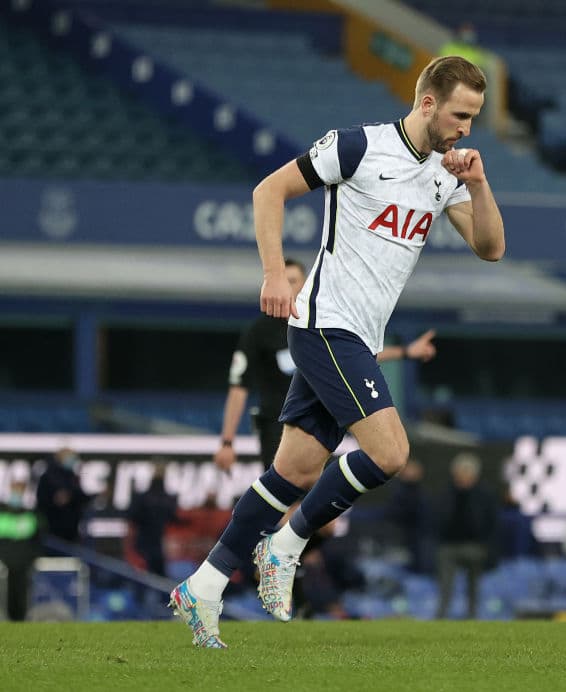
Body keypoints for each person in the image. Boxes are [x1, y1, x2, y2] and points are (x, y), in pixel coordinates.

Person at [169, 55, 504, 648]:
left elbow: (491, 248)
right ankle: (286, 544)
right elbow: (269, 190)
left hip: (359, 339)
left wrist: (477, 181)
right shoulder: (358, 148)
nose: (466, 129)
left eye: (474, 117)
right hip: (325, 324)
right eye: (460, 115)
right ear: (427, 103)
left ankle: (202, 586)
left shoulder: (446, 174)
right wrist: (275, 273)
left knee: (293, 470)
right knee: (392, 453)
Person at [213, 256, 438, 471]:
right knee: (287, 495)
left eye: (294, 281)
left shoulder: (320, 323)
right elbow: (238, 387)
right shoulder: (259, 332)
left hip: (320, 419)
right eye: (284, 280)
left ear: (306, 284)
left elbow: (352, 357)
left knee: (317, 496)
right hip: (277, 425)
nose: (289, 287)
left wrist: (406, 351)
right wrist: (227, 441)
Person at [435, 452, 498, 619]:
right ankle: (440, 618)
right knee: (445, 587)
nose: (463, 477)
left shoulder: (484, 495)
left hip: (474, 546)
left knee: (473, 588)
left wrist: (487, 547)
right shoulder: (446, 493)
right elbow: (436, 518)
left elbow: (492, 522)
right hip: (448, 545)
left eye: (467, 472)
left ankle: (472, 618)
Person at [0, 478, 41, 621]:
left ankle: (20, 620)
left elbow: (37, 540)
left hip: (22, 564)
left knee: (21, 594)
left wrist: (31, 558)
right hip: (4, 563)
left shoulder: (30, 515)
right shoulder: (2, 513)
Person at [35, 446, 89, 545]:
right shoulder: (48, 477)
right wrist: (55, 500)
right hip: (53, 527)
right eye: (70, 457)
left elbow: (80, 497)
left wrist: (71, 496)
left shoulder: (72, 477)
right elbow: (42, 501)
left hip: (71, 529)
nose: (72, 460)